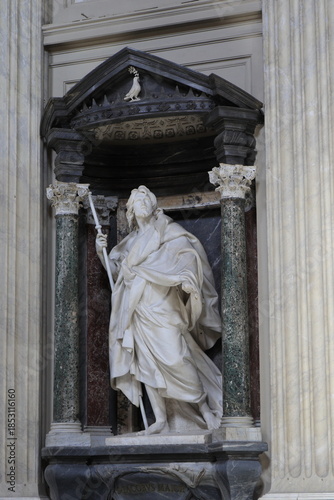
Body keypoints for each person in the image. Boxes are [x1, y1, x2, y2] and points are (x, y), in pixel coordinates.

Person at [96, 185, 222, 434]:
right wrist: (103, 255)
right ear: (130, 210)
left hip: (163, 306)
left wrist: (186, 277)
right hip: (136, 310)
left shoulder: (168, 230)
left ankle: (206, 410)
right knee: (147, 365)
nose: (142, 204)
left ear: (154, 206)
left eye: (146, 200)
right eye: (137, 201)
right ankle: (161, 420)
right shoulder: (128, 244)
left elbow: (188, 255)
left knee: (177, 357)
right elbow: (117, 278)